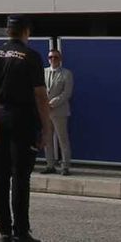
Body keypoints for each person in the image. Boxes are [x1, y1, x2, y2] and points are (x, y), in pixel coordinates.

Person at [0, 16, 51, 242]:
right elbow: (40, 95)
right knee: (20, 177)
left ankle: (4, 230)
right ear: (26, 31)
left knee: (0, 176)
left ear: (7, 31)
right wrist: (46, 127)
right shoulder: (31, 56)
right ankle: (21, 231)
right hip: (22, 119)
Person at [43, 46, 73, 175]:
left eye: (55, 57)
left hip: (59, 111)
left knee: (63, 139)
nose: (53, 59)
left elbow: (67, 93)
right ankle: (50, 165)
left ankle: (65, 166)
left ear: (60, 59)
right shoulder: (43, 72)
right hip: (45, 111)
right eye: (50, 57)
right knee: (47, 139)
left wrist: (52, 103)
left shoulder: (66, 73)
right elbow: (39, 90)